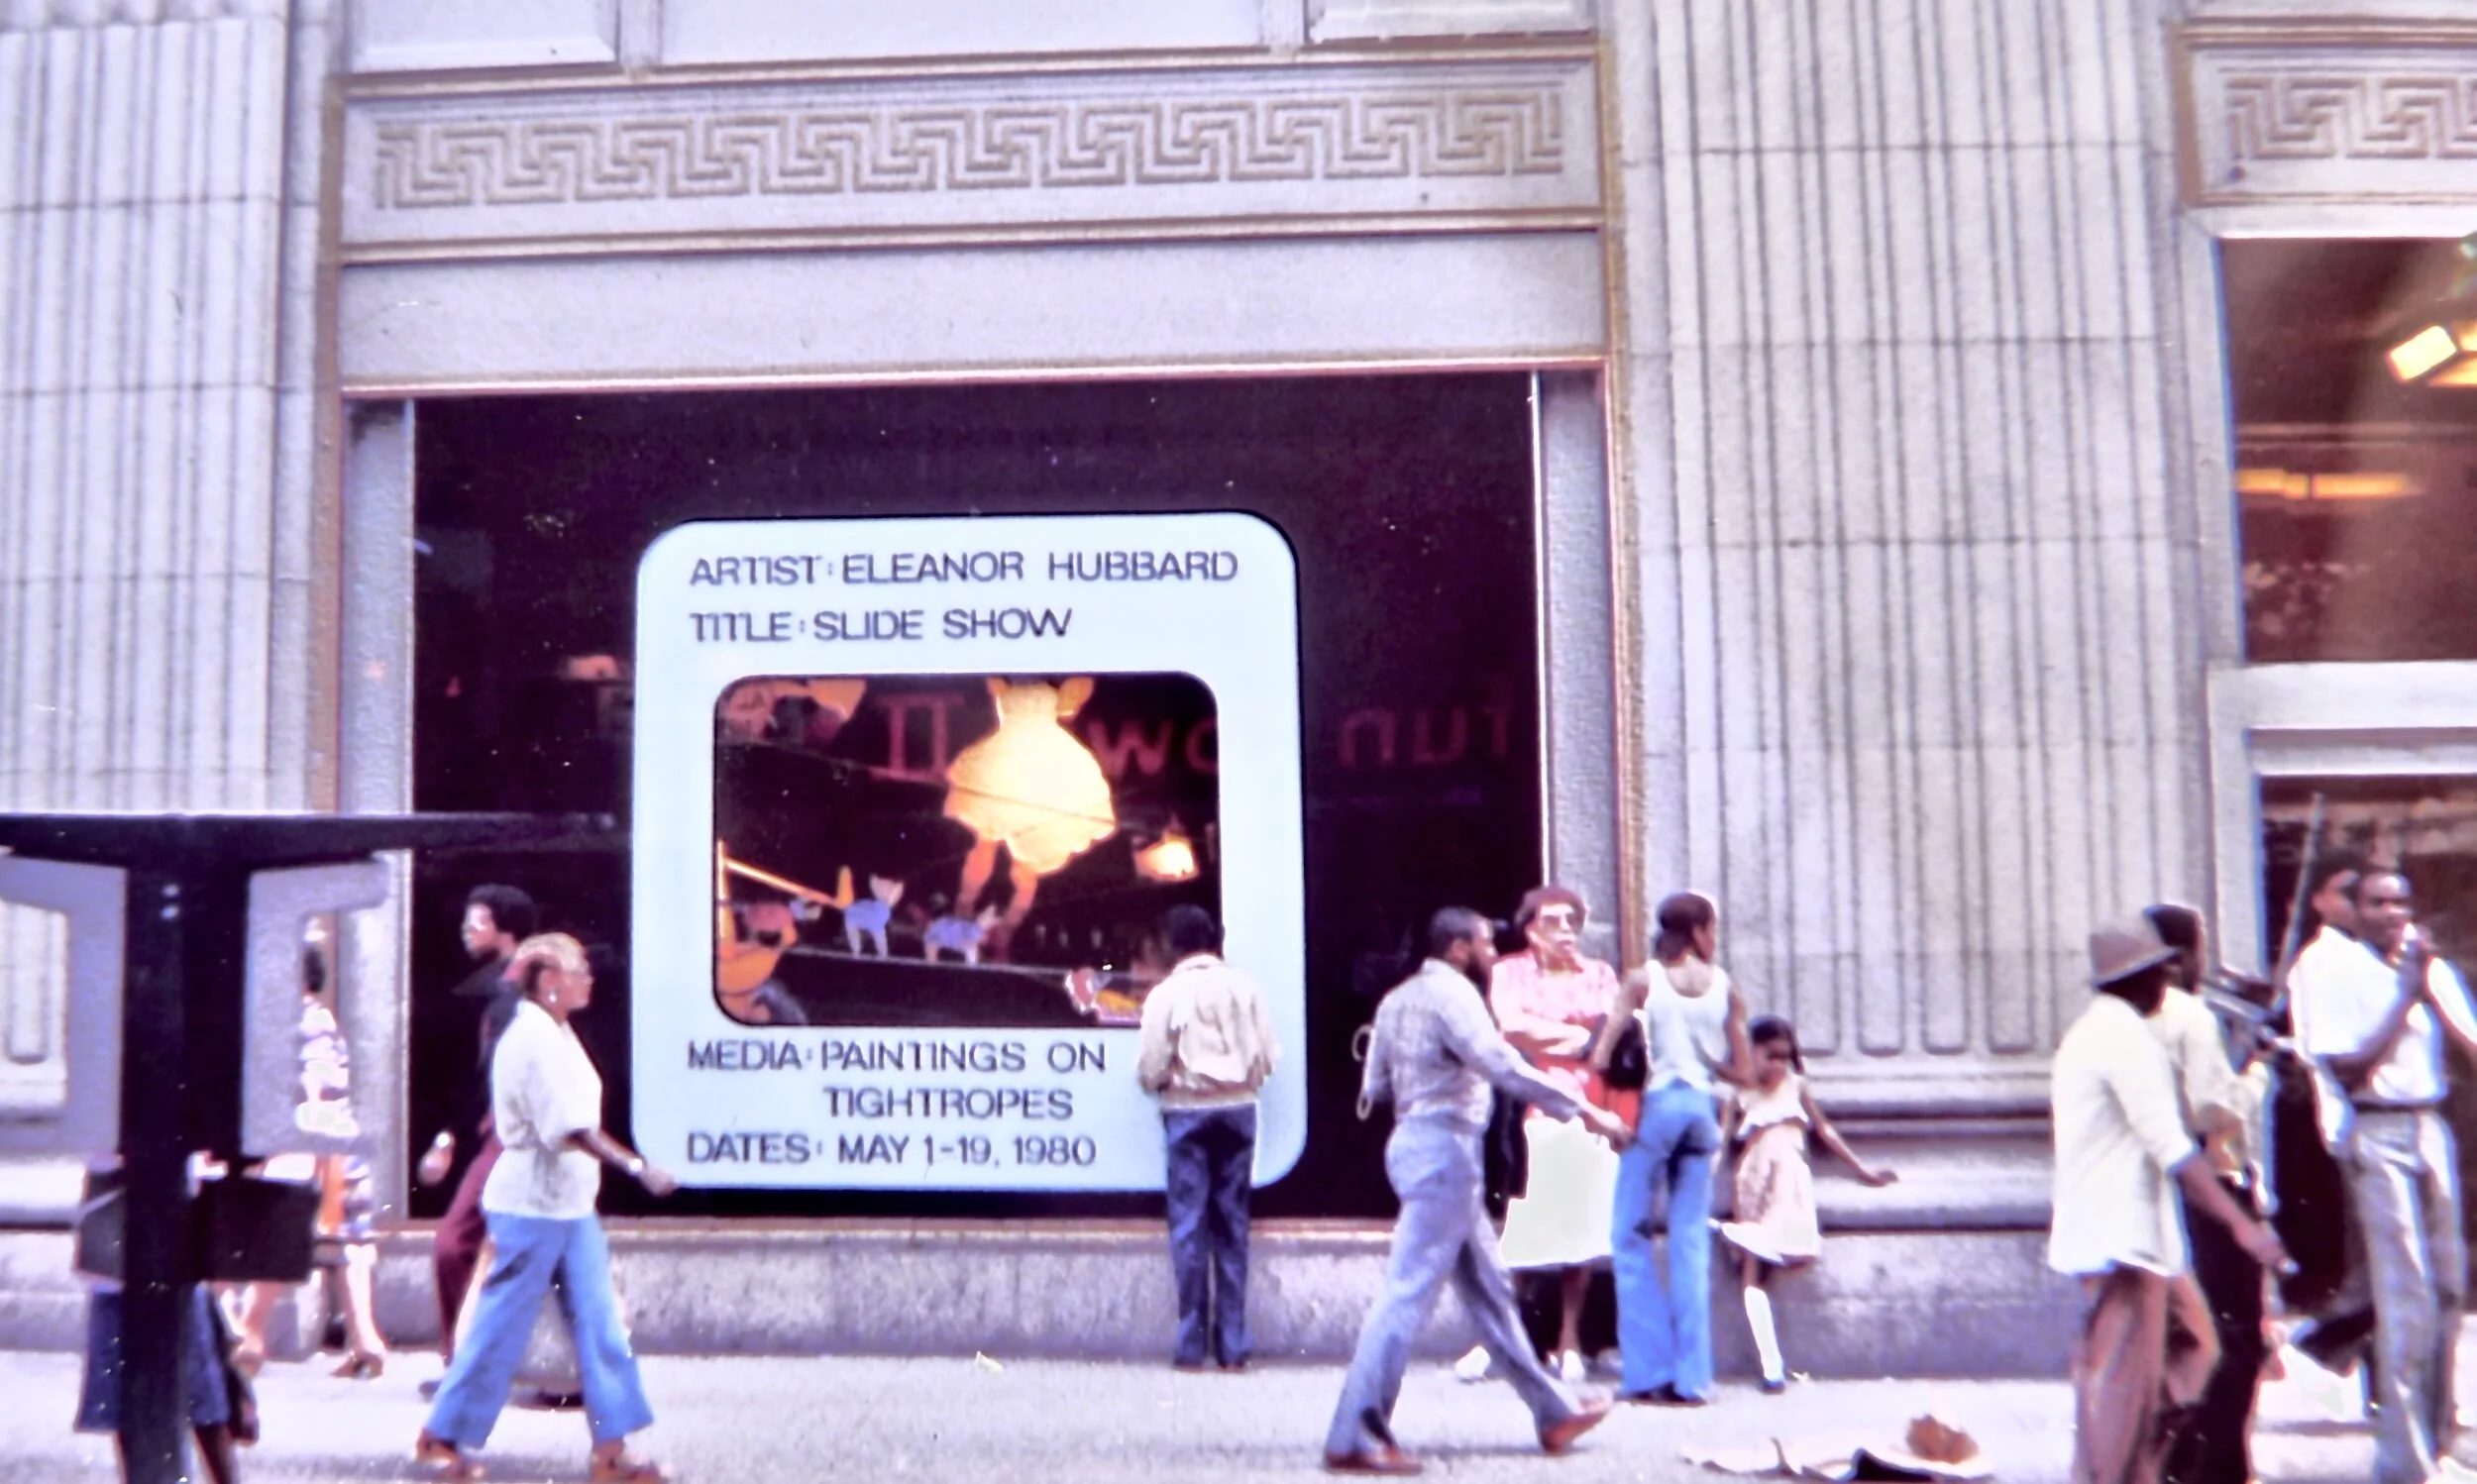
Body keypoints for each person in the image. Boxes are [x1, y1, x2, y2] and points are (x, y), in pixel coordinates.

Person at [1323, 906, 1633, 1475]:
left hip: (1417, 1143)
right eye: (1486, 942)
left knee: (1491, 1291)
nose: (1494, 951)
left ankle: (1553, 1411)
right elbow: (1500, 1064)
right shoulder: (1456, 996)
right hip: (1446, 1150)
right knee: (1406, 1293)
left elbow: (1377, 1086)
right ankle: (1356, 1433)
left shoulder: (1396, 1000)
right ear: (1458, 948)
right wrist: (1588, 1112)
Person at [415, 934, 678, 1483]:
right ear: (550, 980)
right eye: (579, 970)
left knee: (601, 1328)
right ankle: (443, 1436)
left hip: (568, 1205)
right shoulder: (532, 1037)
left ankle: (612, 1451)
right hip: (531, 1206)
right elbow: (572, 1128)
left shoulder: (555, 1030)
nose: (589, 978)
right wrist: (637, 1167)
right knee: (499, 1327)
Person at [2050, 917, 2288, 1484]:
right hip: (2123, 1238)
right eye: (2159, 971)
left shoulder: (2107, 1032)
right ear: (2137, 978)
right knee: (2121, 1391)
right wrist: (2241, 1226)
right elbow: (2175, 1148)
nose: (2169, 979)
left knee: (2197, 1349)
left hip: (2144, 1235)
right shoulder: (2121, 1040)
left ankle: (2146, 1458)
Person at [2290, 869, 2477, 1484]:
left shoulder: (2425, 965)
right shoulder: (2334, 969)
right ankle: (2403, 1461)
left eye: (2401, 901)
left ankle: (2439, 1440)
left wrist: (2429, 987)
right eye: (2377, 902)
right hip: (2376, 1130)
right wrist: (2403, 997)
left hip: (2429, 1124)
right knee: (2406, 1296)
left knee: (2448, 1286)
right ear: (2356, 910)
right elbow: (2347, 1070)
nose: (2392, 912)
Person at [1590, 890, 1749, 1407]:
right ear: (1700, 930)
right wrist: (1707, 1060)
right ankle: (1693, 1378)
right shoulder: (1725, 986)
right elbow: (1743, 1071)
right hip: (1702, 1111)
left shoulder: (1643, 980)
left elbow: (1602, 1055)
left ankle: (1647, 1373)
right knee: (1689, 1241)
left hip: (1657, 1109)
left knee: (1629, 1234)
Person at [1467, 886, 1623, 1386]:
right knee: (1527, 1229)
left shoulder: (1599, 973)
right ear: (1531, 929)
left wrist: (1561, 1036)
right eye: (1553, 921)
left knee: (1583, 1227)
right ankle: (1499, 1338)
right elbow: (1511, 1029)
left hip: (1591, 1111)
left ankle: (1570, 1341)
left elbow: (1611, 1032)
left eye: (1572, 920)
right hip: (1534, 1110)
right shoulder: (1509, 972)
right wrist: (1581, 1038)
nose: (1566, 930)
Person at [2139, 904, 2264, 1484]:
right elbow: (2217, 1111)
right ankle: (2218, 1468)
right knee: (2232, 1337)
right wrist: (2258, 1070)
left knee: (2178, 1338)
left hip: (2153, 1192)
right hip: (2207, 1188)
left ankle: (2178, 1463)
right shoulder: (2191, 1016)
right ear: (2184, 956)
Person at [234, 940, 389, 1380]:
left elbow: (314, 1088)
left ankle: (250, 1334)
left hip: (309, 1145)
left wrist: (299, 1147)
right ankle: (366, 1339)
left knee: (274, 1240)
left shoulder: (300, 1022)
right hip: (339, 1143)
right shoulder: (322, 1019)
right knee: (350, 1243)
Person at [1716, 1014, 1894, 1395]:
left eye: (1785, 1057)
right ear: (1752, 1052)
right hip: (1754, 1180)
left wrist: (1863, 1170)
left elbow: (1824, 1130)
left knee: (1783, 1248)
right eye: (1770, 1055)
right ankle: (1771, 1365)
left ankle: (1773, 1361)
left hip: (1789, 1178)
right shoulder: (1738, 1092)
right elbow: (1721, 1140)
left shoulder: (1796, 1086)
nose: (1778, 1065)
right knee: (1752, 1267)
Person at [1134, 903, 1279, 1372]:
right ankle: (1233, 1346)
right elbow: (1267, 1056)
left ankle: (1191, 1344)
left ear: (1171, 945)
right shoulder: (1246, 987)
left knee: (1189, 1224)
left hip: (1187, 1111)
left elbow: (1150, 1066)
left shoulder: (1166, 993)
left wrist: (1163, 1082)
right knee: (1232, 1223)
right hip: (1239, 1109)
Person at [418, 884, 536, 1387]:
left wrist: (448, 1137)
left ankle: (465, 1365)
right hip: (504, 1136)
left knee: (457, 1245)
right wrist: (450, 1135)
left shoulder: (515, 991)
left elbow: (491, 1073)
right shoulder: (493, 990)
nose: (467, 929)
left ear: (506, 929)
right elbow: (479, 1074)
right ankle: (466, 1363)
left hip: (516, 1139)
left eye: (479, 920)